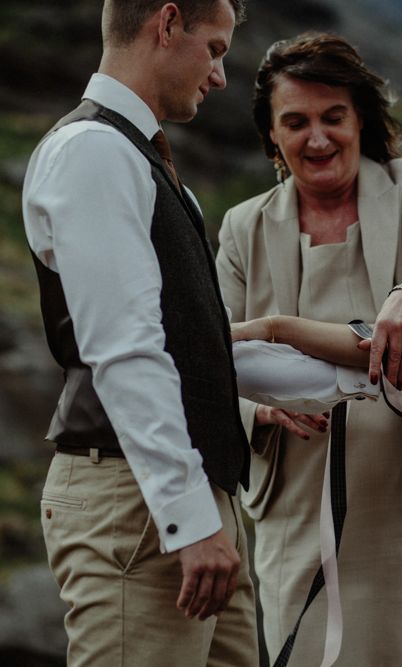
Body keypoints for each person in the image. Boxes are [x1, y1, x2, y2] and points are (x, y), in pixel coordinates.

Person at [215, 33, 402, 665]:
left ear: (361, 118)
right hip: (295, 512)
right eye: (295, 122)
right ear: (272, 135)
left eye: (334, 117)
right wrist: (258, 411)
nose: (318, 138)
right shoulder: (243, 227)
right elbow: (208, 356)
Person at [22, 2, 259, 665]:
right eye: (213, 48)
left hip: (183, 496)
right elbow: (124, 349)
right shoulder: (92, 154)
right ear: (167, 23)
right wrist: (188, 518)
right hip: (138, 506)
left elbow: (189, 344)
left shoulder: (151, 170)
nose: (218, 74)